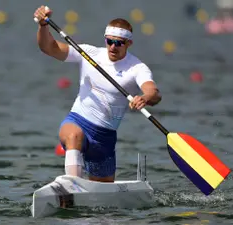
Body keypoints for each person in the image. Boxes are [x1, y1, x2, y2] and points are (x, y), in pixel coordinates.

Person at [34, 5, 162, 183]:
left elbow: (153, 91)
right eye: (110, 41)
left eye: (119, 43)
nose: (113, 47)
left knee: (103, 194)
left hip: (105, 138)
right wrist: (43, 26)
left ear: (129, 44)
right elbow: (49, 47)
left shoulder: (136, 68)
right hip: (77, 120)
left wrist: (145, 98)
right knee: (73, 136)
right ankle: (73, 184)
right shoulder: (89, 53)